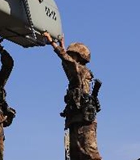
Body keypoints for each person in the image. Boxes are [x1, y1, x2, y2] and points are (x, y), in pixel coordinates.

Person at [43, 32, 102, 160]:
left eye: (72, 55)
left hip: (84, 120)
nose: (69, 57)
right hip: (75, 118)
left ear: (80, 57)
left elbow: (67, 62)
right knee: (75, 156)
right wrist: (62, 46)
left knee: (90, 154)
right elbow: (67, 63)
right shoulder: (75, 74)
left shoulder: (81, 71)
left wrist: (53, 44)